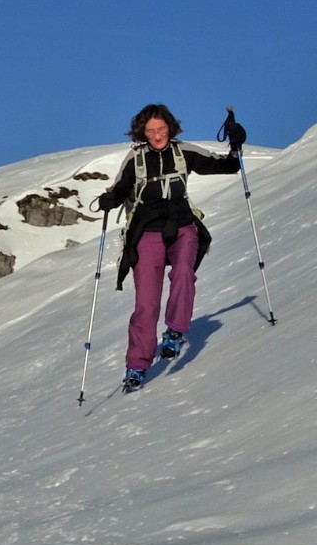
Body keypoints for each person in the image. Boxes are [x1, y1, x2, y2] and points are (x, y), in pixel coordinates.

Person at [93, 104, 241, 392]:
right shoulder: (135, 159)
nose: (157, 135)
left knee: (184, 272)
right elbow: (121, 189)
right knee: (146, 303)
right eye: (151, 131)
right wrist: (109, 200)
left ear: (170, 128)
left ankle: (175, 331)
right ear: (142, 133)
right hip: (146, 231)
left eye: (161, 129)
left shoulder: (183, 152)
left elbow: (226, 165)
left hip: (182, 225)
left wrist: (236, 144)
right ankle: (137, 365)